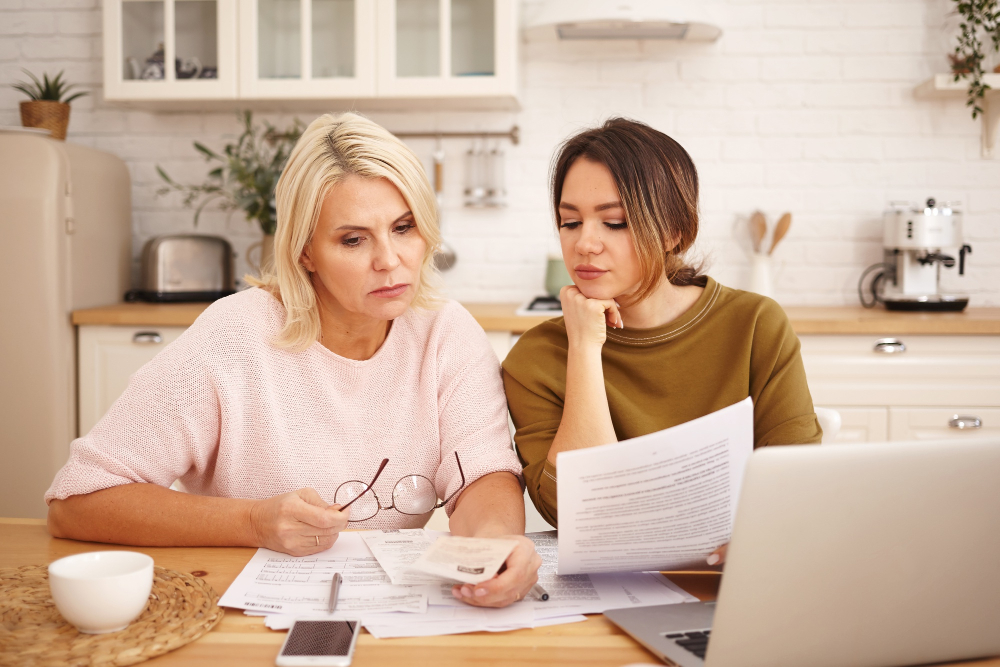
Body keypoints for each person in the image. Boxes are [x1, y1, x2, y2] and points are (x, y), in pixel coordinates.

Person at [46, 113, 541, 607]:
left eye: (403, 227)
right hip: (238, 609)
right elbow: (77, 504)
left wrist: (495, 547)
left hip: (389, 612)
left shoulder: (445, 331)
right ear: (305, 252)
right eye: (353, 239)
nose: (389, 260)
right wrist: (251, 521)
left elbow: (482, 476)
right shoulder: (234, 336)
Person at [502, 118, 822, 566]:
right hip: (605, 587)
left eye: (614, 222)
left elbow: (797, 486)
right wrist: (584, 349)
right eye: (570, 221)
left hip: (735, 578)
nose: (584, 243)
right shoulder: (536, 358)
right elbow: (575, 515)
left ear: (674, 230)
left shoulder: (754, 325)